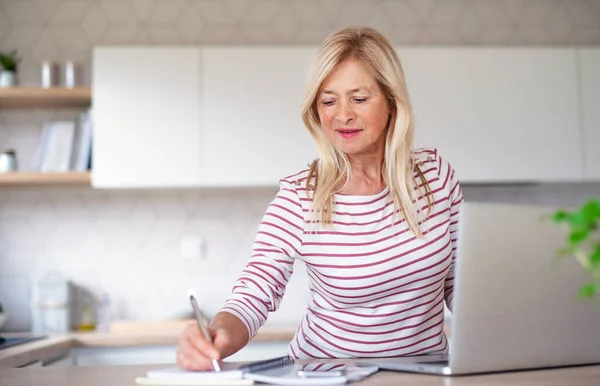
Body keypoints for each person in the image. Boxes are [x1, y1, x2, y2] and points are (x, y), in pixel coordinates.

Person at [177, 26, 463, 370]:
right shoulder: (299, 198)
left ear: (391, 101)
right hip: (327, 376)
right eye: (329, 101)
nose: (342, 115)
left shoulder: (435, 177)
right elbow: (253, 295)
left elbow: (462, 286)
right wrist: (215, 336)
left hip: (425, 375)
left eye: (358, 98)